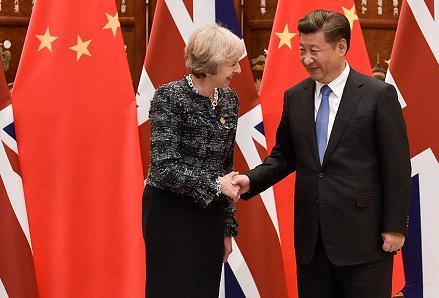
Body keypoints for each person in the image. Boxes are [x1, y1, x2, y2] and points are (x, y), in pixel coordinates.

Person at [233, 10, 411, 297]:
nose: (306, 59)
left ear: (341, 47)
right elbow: (284, 156)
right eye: (302, 50)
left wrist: (394, 227)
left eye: (314, 51)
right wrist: (250, 181)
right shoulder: (296, 96)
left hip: (364, 240)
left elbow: (397, 166)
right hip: (312, 243)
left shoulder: (378, 95)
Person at [142, 24, 244, 297]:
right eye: (232, 64)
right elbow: (164, 167)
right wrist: (215, 184)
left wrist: (226, 229)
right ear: (212, 65)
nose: (239, 71)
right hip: (171, 214)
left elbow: (225, 167)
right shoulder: (169, 97)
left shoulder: (229, 100)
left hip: (209, 214)